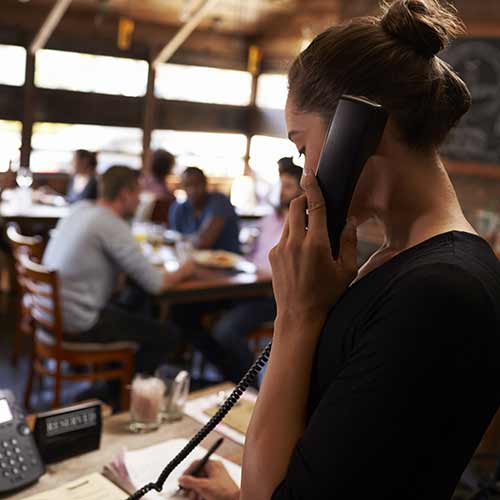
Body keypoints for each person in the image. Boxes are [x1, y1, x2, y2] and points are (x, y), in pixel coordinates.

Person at [178, 1, 500, 499]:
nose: (304, 175)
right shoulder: (398, 260)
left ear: (362, 126)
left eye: (303, 148)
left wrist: (296, 315)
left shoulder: (440, 292)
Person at [43, 165, 195, 372]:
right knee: (167, 335)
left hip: (47, 313)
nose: (140, 200)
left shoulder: (80, 209)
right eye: (138, 194)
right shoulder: (111, 224)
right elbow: (156, 284)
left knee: (133, 303)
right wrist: (187, 268)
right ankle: (113, 393)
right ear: (124, 194)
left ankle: (113, 375)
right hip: (77, 321)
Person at [210, 158, 303, 382]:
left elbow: (294, 272)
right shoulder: (269, 219)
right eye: (281, 185)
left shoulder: (303, 227)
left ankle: (247, 387)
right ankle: (225, 380)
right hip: (246, 288)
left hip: (272, 297)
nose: (282, 191)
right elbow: (251, 256)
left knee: (225, 331)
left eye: (289, 186)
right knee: (192, 314)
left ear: (302, 191)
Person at [169, 167, 240, 253]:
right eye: (188, 185)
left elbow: (203, 242)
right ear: (182, 187)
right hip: (193, 262)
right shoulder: (179, 209)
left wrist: (183, 239)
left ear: (205, 184)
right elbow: (174, 241)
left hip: (225, 263)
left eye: (197, 184)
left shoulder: (219, 201)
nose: (193, 190)